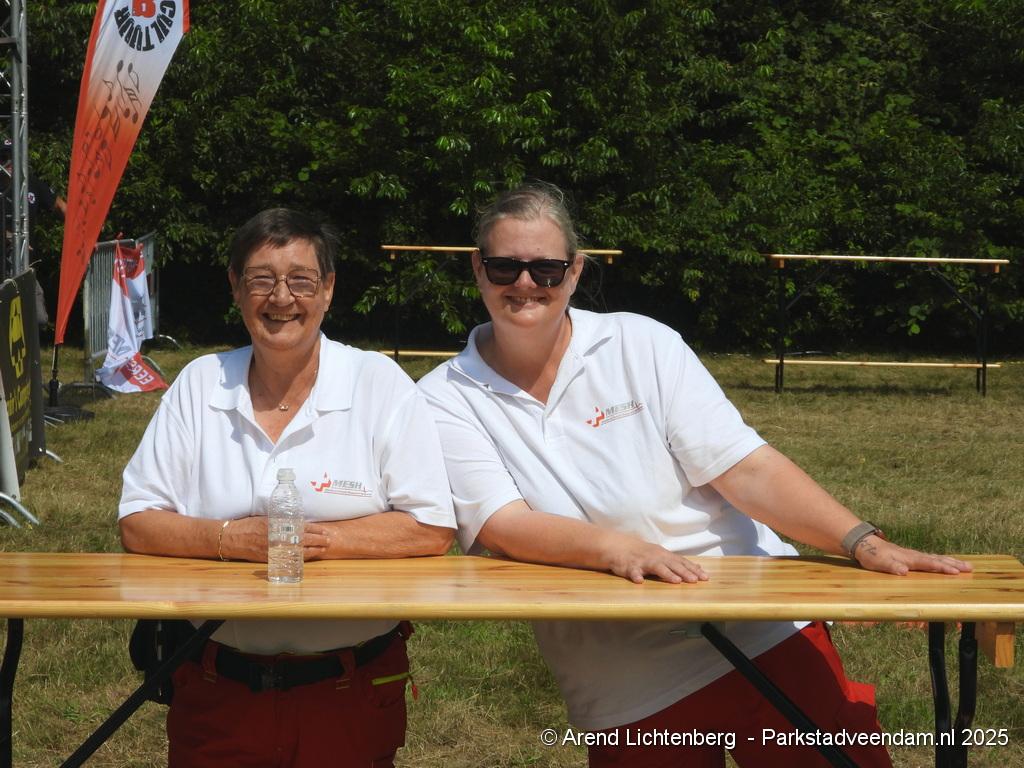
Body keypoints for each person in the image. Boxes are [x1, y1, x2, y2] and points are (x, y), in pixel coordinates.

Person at [417, 183, 972, 768]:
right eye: (505, 266)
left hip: (762, 629)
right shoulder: (442, 396)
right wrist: (621, 550)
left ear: (575, 271)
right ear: (478, 269)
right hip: (622, 678)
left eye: (546, 269)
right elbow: (503, 524)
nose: (526, 283)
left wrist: (860, 541)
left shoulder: (641, 342)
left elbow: (744, 467)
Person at [119, 208, 456, 768]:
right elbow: (137, 521)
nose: (281, 298)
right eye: (262, 279)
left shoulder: (378, 382)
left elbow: (431, 527)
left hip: (349, 686)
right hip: (217, 683)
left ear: (328, 289)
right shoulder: (200, 383)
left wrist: (318, 542)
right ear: (235, 287)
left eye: (301, 280)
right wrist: (232, 539)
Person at [1, 138, 67, 328]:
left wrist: (82, 234)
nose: (7, 162)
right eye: (3, 157)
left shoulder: (32, 184)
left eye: (11, 156)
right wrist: (11, 238)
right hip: (2, 265)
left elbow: (61, 207)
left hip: (24, 267)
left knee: (39, 318)